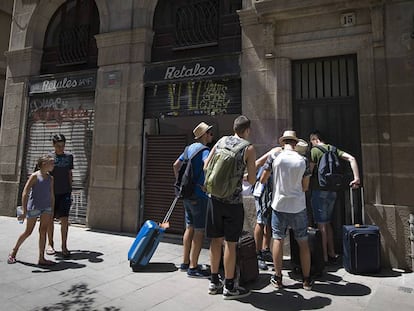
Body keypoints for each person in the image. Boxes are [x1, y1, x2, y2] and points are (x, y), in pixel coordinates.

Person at [204, 115, 256, 300]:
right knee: (231, 245)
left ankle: (213, 281)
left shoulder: (221, 141)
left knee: (215, 241)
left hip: (214, 200)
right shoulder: (248, 148)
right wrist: (238, 177)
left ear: (234, 128)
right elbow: (251, 180)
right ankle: (229, 286)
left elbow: (206, 166)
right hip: (233, 204)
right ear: (247, 130)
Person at [260, 130, 313, 291]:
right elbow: (305, 187)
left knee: (277, 239)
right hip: (298, 206)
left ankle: (278, 278)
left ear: (283, 143)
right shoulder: (303, 160)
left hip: (279, 205)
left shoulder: (275, 157)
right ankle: (306, 280)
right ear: (295, 144)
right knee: (303, 242)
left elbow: (262, 179)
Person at [309, 130, 360, 264]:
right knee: (327, 222)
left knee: (321, 224)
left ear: (315, 139)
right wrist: (356, 178)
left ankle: (324, 256)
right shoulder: (333, 149)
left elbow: (309, 171)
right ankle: (332, 252)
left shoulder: (314, 151)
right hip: (333, 190)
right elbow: (351, 158)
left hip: (319, 190)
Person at [173, 122, 214, 278]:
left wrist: (181, 183)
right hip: (199, 195)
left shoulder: (188, 148)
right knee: (199, 231)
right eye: (210, 133)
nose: (211, 135)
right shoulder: (204, 150)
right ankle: (193, 267)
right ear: (204, 135)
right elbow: (206, 165)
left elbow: (175, 165)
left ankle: (184, 262)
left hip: (186, 194)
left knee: (189, 227)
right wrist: (205, 184)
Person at [7, 155, 56, 266]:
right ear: (44, 164)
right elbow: (25, 192)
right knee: (28, 232)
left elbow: (52, 194)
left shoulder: (50, 178)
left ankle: (41, 258)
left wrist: (52, 209)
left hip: (46, 208)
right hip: (34, 207)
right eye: (52, 163)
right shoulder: (35, 176)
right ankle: (13, 252)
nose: (53, 165)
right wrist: (24, 210)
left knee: (43, 231)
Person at [46, 134, 74, 258]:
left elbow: (69, 173)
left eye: (62, 146)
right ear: (53, 145)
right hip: (51, 193)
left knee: (65, 220)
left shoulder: (69, 157)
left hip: (65, 192)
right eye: (58, 146)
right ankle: (50, 244)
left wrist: (70, 188)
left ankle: (64, 246)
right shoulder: (49, 157)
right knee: (50, 219)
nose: (60, 148)